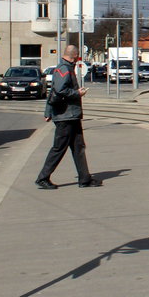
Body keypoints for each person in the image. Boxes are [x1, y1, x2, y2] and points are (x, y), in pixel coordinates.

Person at [35, 45, 101, 189]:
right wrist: (78, 93)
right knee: (59, 148)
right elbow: (59, 91)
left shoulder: (64, 68)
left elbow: (52, 91)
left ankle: (85, 179)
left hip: (71, 116)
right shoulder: (64, 69)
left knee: (79, 147)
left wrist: (48, 112)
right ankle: (43, 177)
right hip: (66, 116)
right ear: (76, 56)